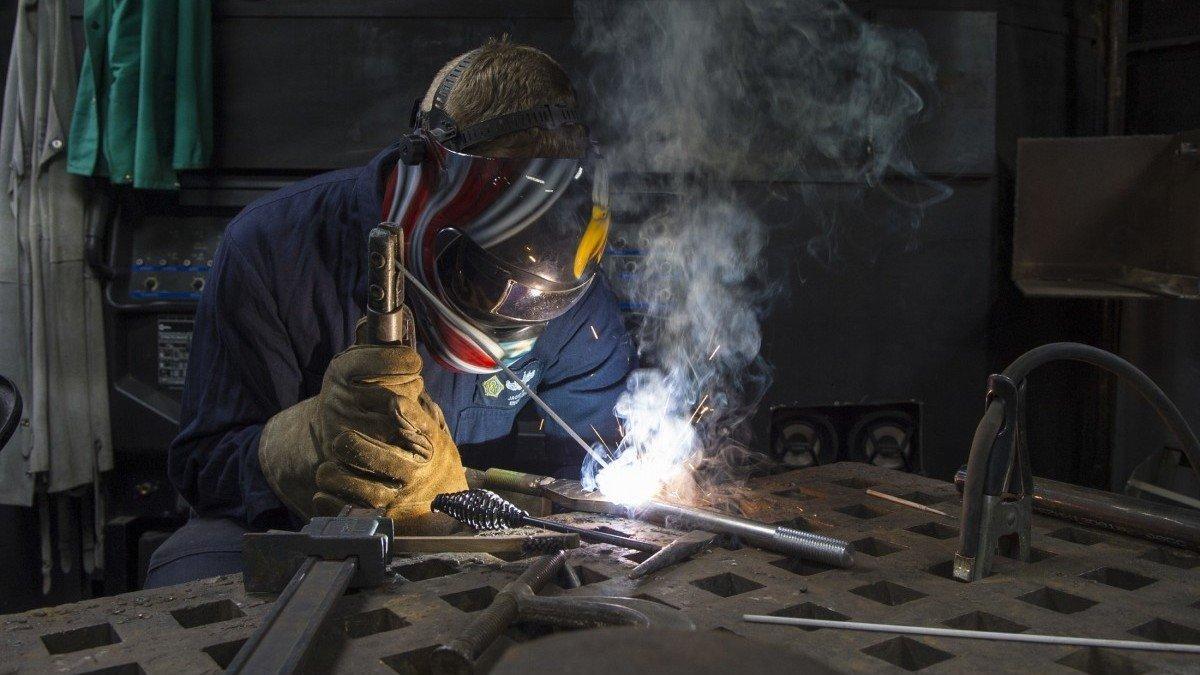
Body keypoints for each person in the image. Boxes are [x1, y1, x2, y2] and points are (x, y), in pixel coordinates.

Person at [145, 39, 635, 587]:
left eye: (542, 301)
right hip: (296, 533)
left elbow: (591, 467)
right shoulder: (270, 247)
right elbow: (201, 463)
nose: (517, 313)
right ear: (423, 187)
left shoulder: (575, 289)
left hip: (484, 544)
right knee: (191, 567)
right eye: (486, 280)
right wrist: (296, 452)